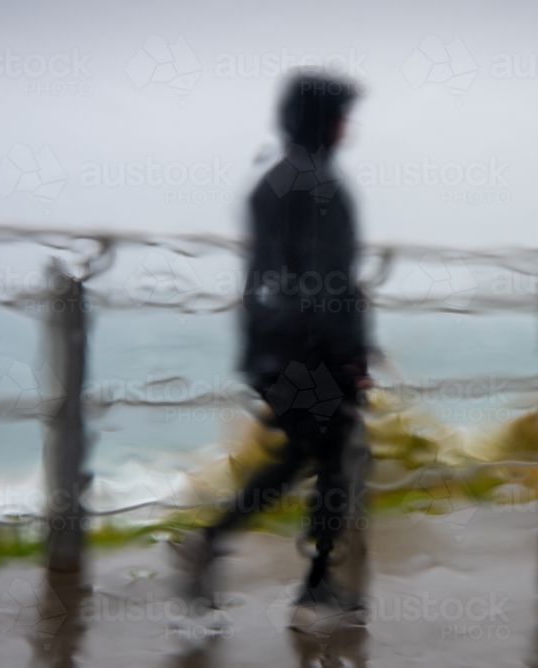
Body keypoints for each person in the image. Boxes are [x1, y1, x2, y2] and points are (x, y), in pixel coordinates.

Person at [174, 71, 370, 603]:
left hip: (269, 343)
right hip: (313, 348)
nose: (348, 127)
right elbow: (328, 279)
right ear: (325, 121)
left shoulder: (272, 181)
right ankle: (313, 582)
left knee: (307, 450)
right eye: (342, 115)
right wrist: (351, 358)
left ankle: (217, 543)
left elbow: (272, 274)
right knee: (340, 452)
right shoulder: (323, 185)